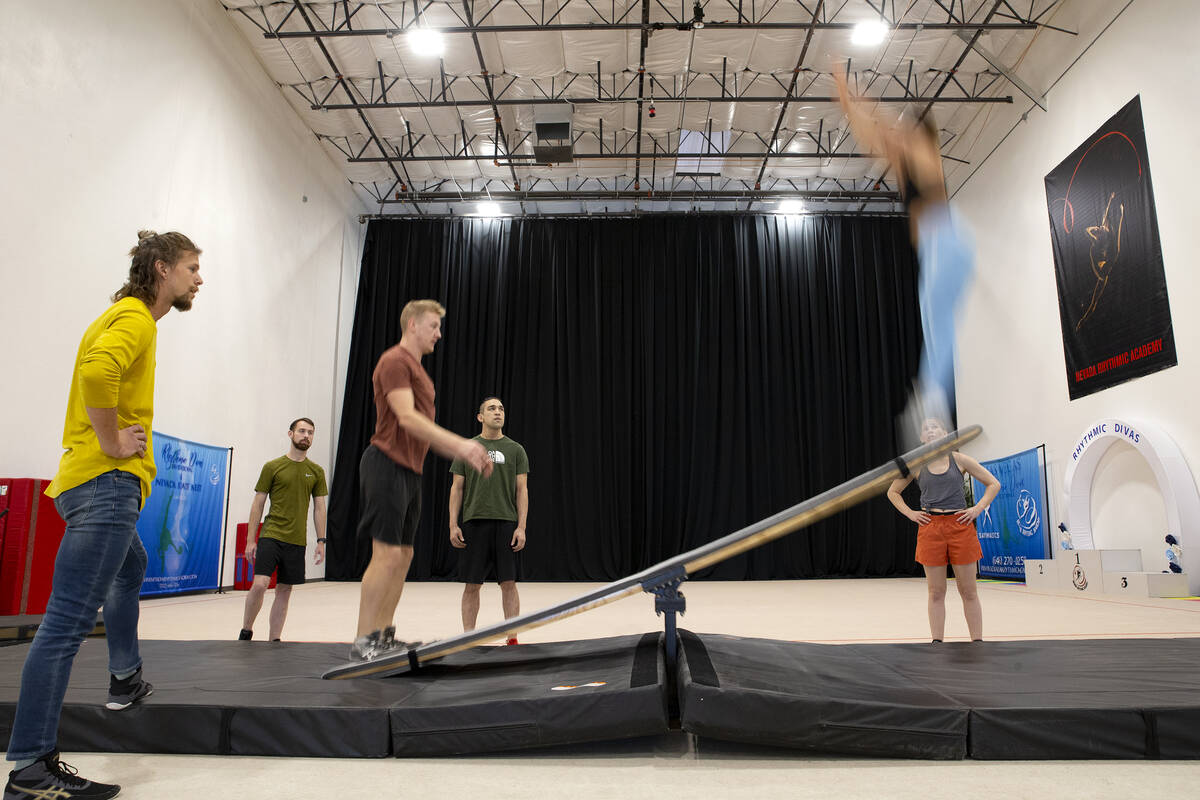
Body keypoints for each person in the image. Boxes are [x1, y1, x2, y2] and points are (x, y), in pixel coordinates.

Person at [5, 231, 202, 800]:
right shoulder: (137, 318)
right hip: (105, 482)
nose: (199, 278)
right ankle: (30, 770)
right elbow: (97, 375)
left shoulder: (124, 314)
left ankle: (123, 678)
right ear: (162, 270)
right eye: (191, 267)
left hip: (87, 483)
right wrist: (114, 437)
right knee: (64, 625)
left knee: (131, 567)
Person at [834, 66, 976, 434]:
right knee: (933, 323)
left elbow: (882, 129)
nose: (893, 139)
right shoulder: (906, 157)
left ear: (917, 135)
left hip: (947, 241)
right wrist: (850, 99)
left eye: (903, 133)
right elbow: (872, 133)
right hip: (939, 248)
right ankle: (933, 404)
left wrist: (857, 98)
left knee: (937, 322)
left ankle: (930, 405)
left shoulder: (924, 152)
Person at [351, 299, 493, 660]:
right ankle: (363, 641)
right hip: (384, 463)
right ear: (412, 325)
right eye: (434, 326)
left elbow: (424, 431)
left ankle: (383, 637)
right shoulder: (395, 361)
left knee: (403, 555)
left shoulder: (417, 369)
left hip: (409, 471)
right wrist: (463, 445)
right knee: (385, 555)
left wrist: (458, 449)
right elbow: (407, 418)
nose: (439, 334)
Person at [886, 417, 1001, 643]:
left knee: (968, 591)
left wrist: (977, 508)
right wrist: (911, 513)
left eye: (934, 427)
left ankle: (977, 641)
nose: (930, 431)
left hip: (960, 525)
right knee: (936, 592)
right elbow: (892, 492)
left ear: (944, 433)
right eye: (926, 428)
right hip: (931, 527)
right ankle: (936, 642)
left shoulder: (959, 460)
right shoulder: (917, 464)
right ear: (921, 438)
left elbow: (993, 484)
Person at [239, 418, 328, 642]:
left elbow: (319, 508)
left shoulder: (316, 471)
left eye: (310, 432)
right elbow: (258, 504)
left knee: (285, 591)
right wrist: (251, 540)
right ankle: (246, 630)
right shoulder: (272, 467)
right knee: (259, 585)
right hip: (271, 535)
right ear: (291, 434)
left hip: (296, 540)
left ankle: (274, 640)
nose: (306, 435)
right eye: (301, 431)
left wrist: (321, 540)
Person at [449, 397, 529, 641]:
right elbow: (456, 489)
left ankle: (512, 636)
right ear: (480, 417)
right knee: (472, 584)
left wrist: (521, 527)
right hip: (475, 523)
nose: (498, 412)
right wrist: (453, 524)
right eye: (492, 408)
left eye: (501, 408)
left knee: (508, 582)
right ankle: (468, 638)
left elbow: (522, 490)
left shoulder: (516, 449)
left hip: (506, 523)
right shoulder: (468, 448)